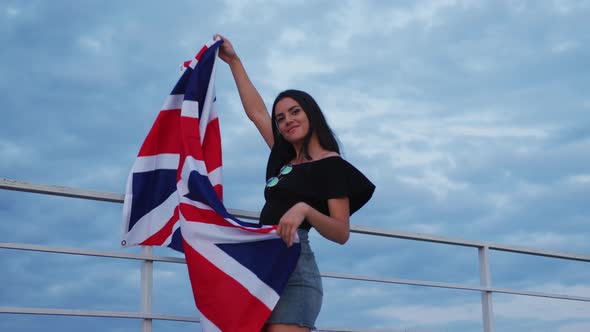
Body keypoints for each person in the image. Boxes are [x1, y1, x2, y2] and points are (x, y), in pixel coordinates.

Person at [216, 34, 375, 332]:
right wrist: (234, 61)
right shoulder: (283, 160)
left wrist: (306, 210)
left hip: (295, 268)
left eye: (294, 112)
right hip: (262, 263)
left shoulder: (331, 165)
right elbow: (257, 113)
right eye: (281, 119)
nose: (286, 120)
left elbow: (341, 233)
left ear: (310, 113)